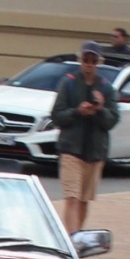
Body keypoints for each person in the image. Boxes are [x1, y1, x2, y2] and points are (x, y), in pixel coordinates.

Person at [50, 43, 119, 234]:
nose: (89, 64)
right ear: (80, 60)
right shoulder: (69, 83)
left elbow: (112, 121)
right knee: (71, 197)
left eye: (93, 61)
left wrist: (100, 109)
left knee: (83, 200)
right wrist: (77, 111)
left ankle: (78, 239)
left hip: (95, 152)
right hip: (71, 150)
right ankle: (72, 239)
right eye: (86, 60)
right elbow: (57, 115)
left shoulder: (106, 88)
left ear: (99, 63)